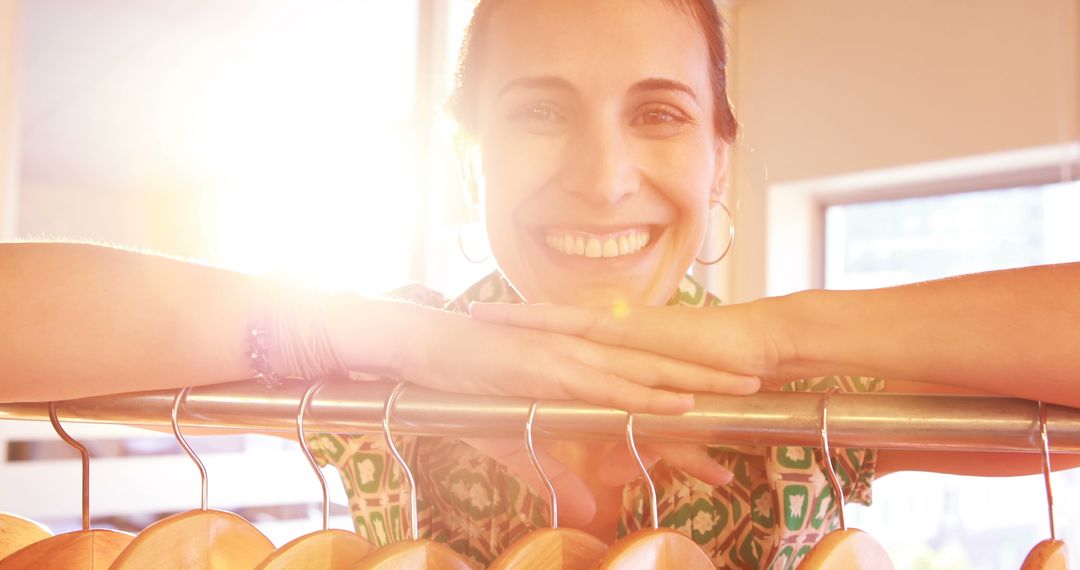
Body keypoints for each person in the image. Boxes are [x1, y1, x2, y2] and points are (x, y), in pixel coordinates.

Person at [3, 0, 1080, 567]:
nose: (603, 180)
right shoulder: (386, 366)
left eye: (659, 113)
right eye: (539, 111)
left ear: (717, 157)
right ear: (470, 161)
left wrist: (774, 341)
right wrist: (399, 343)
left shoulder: (811, 403)